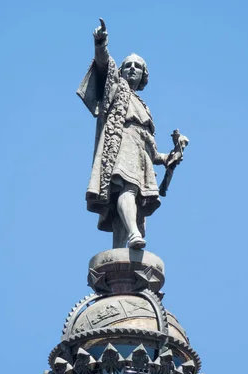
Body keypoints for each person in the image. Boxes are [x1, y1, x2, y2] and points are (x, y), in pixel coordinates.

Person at [77, 18, 177, 249]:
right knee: (126, 188)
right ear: (121, 71)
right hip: (119, 145)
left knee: (137, 200)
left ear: (144, 76)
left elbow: (151, 150)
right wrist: (101, 44)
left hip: (140, 155)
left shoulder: (144, 108)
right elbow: (104, 67)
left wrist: (169, 157)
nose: (132, 68)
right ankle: (132, 234)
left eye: (138, 66)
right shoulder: (116, 88)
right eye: (128, 65)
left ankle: (133, 234)